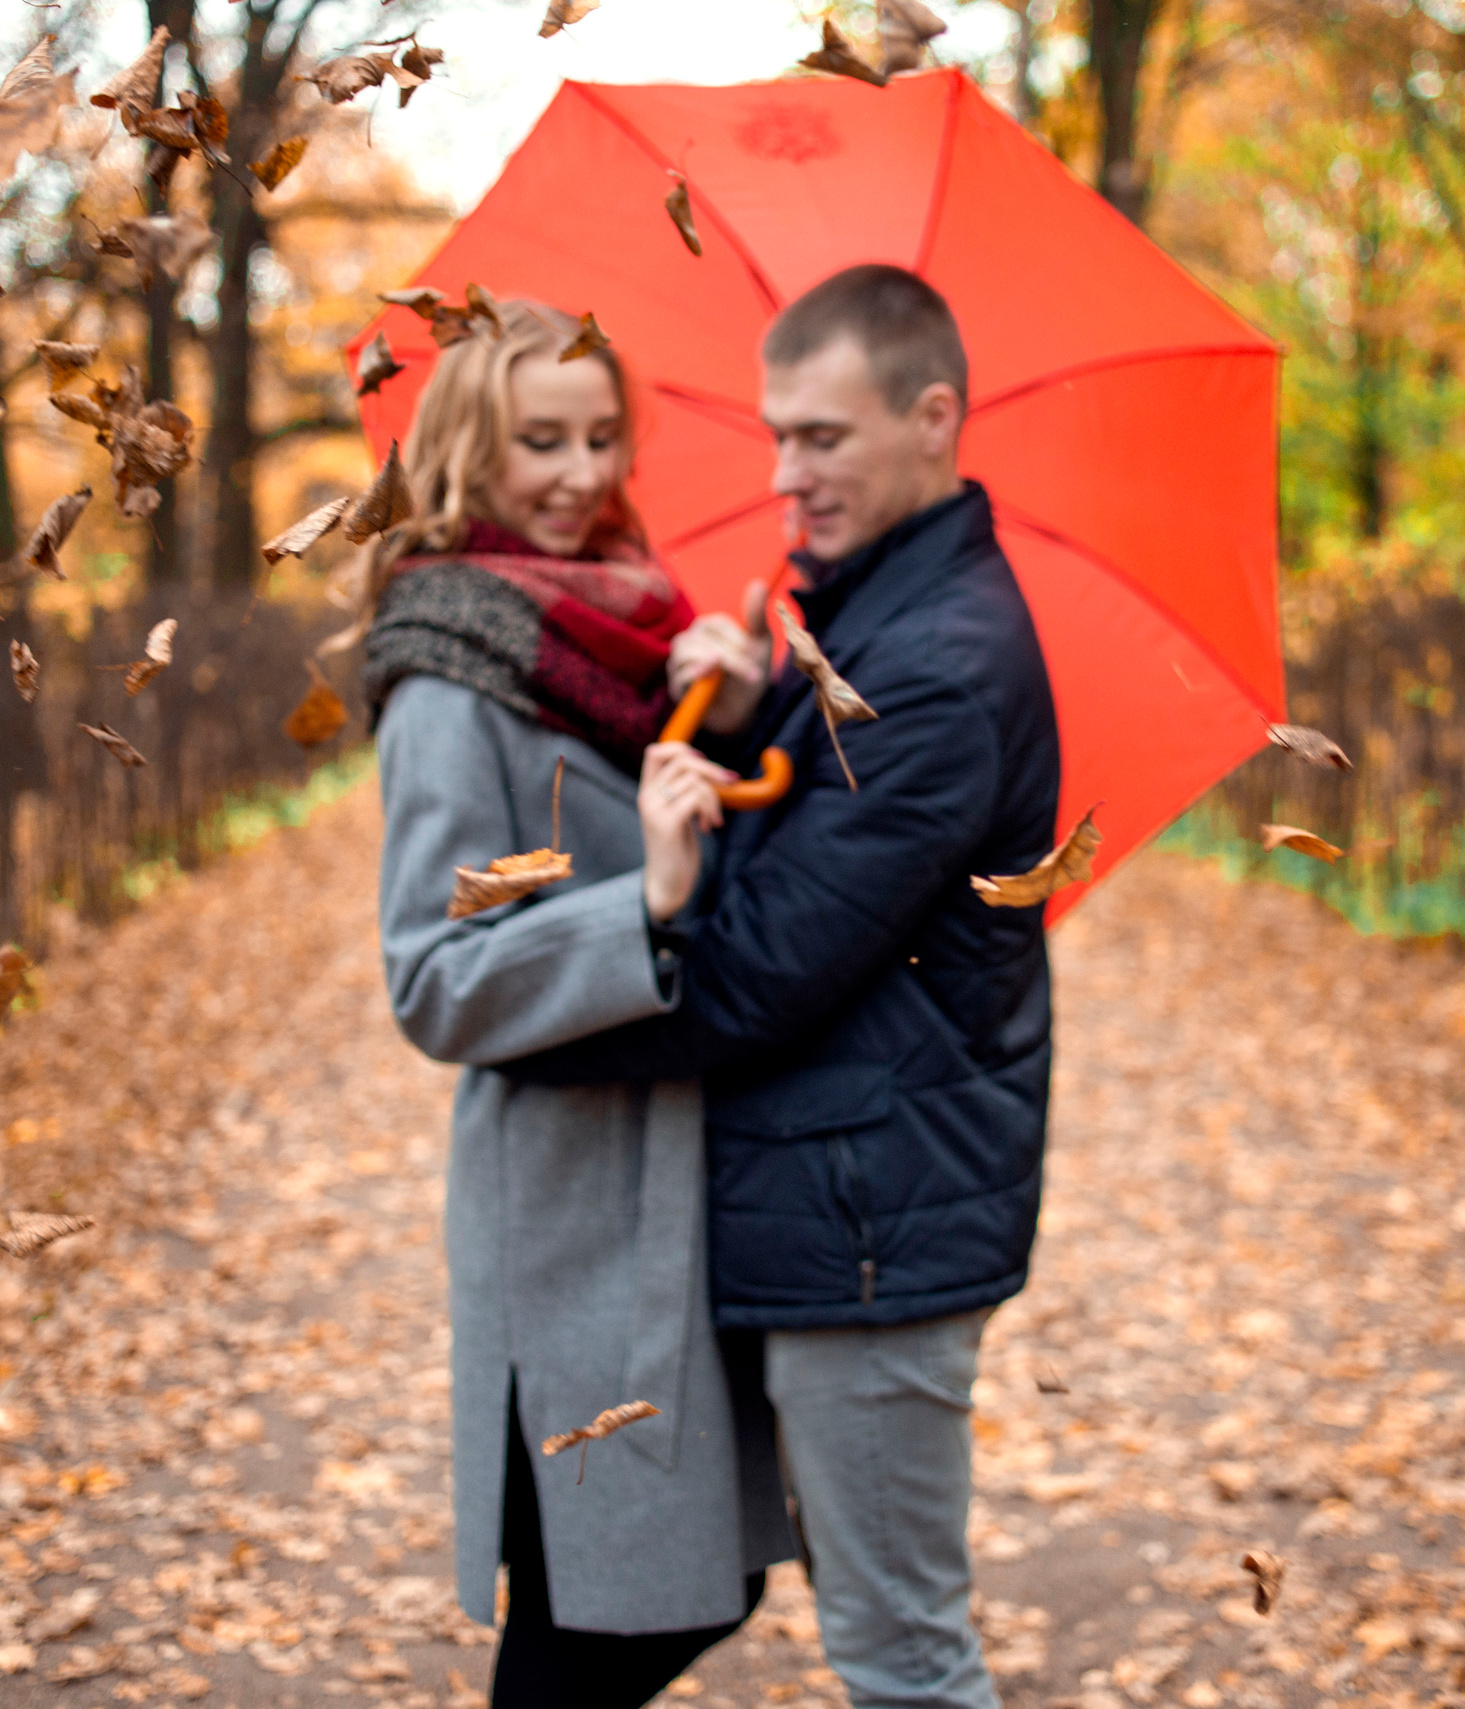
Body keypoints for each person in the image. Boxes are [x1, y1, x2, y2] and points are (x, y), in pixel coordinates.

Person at [510, 264, 1063, 1708]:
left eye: (823, 436)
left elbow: (761, 969)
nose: (785, 474)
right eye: (777, 436)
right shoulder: (881, 623)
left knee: (904, 1653)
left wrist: (529, 1024)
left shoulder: (937, 664)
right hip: (850, 1198)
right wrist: (765, 712)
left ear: (932, 418)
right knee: (880, 1630)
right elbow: (837, 848)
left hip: (869, 1225)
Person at [359, 299, 796, 1708]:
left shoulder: (629, 628)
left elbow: (672, 807)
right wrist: (638, 904)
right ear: (468, 448)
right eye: (541, 440)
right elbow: (434, 975)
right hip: (571, 1216)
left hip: (678, 1184)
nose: (580, 472)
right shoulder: (450, 671)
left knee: (689, 1578)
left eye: (602, 437)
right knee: (596, 1612)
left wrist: (728, 713)